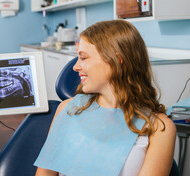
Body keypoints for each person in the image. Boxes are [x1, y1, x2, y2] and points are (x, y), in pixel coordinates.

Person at [34, 20, 176, 176]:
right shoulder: (67, 109)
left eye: (84, 58)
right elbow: (44, 173)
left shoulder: (158, 128)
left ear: (116, 60)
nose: (75, 67)